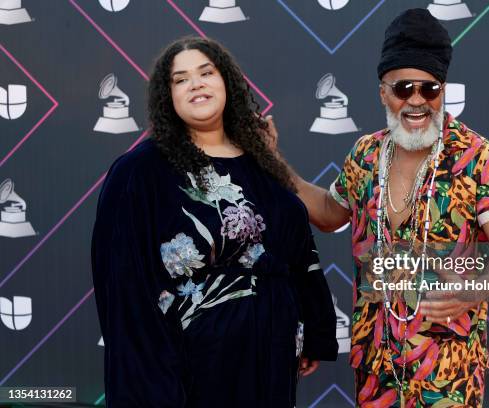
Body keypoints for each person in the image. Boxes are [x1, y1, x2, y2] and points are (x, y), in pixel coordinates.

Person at [267, 8, 489, 408]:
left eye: (430, 88)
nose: (417, 101)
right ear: (383, 91)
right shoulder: (366, 155)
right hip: (376, 366)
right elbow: (327, 212)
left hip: (448, 373)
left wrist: (473, 290)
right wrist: (273, 161)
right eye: (404, 88)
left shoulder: (481, 159)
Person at [91, 36, 338, 408]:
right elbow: (124, 283)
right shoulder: (140, 171)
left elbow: (299, 250)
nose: (196, 83)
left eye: (206, 72)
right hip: (191, 365)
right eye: (181, 78)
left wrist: (313, 328)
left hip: (271, 355)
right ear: (167, 96)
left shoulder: (263, 165)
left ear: (228, 83)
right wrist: (150, 380)